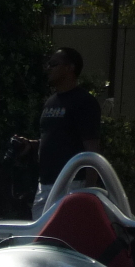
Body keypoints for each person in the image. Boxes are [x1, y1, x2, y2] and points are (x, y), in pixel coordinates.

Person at [32, 47, 101, 218]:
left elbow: (91, 149)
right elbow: (54, 137)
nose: (48, 68)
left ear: (70, 68)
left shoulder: (84, 102)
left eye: (53, 64)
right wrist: (32, 145)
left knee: (63, 236)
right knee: (39, 235)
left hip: (72, 183)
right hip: (46, 183)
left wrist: (88, 192)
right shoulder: (50, 102)